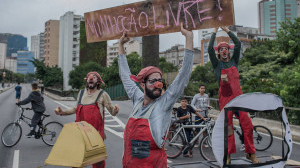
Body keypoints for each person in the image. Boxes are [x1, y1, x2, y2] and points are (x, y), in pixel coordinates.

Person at [118, 23, 194, 168]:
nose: (158, 84)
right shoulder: (137, 100)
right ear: (142, 84)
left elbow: (183, 76)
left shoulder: (163, 104)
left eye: (160, 81)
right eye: (153, 81)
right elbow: (125, 76)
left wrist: (189, 39)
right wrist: (121, 45)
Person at [208, 26, 258, 164]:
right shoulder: (217, 65)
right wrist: (214, 31)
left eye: (226, 49)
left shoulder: (234, 61)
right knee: (228, 127)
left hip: (239, 98)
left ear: (229, 52)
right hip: (225, 100)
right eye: (221, 49)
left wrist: (226, 30)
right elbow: (208, 49)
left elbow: (238, 44)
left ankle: (250, 153)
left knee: (247, 125)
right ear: (218, 53)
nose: (224, 51)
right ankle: (228, 154)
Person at [54, 71, 120, 168]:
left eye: (93, 77)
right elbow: (75, 109)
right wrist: (62, 112)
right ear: (87, 81)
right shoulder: (81, 93)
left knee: (97, 162)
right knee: (77, 160)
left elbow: (112, 112)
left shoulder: (102, 94)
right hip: (80, 133)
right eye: (89, 77)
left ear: (98, 82)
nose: (91, 78)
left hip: (96, 134)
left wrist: (116, 110)